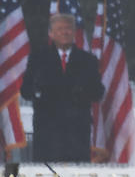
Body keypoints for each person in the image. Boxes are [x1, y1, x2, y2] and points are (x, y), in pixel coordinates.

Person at [20, 13, 104, 161]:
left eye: (68, 28)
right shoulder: (38, 59)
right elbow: (26, 91)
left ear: (74, 32)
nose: (65, 32)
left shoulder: (88, 60)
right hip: (47, 135)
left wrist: (82, 92)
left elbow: (98, 91)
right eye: (60, 29)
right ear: (51, 33)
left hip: (77, 136)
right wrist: (40, 91)